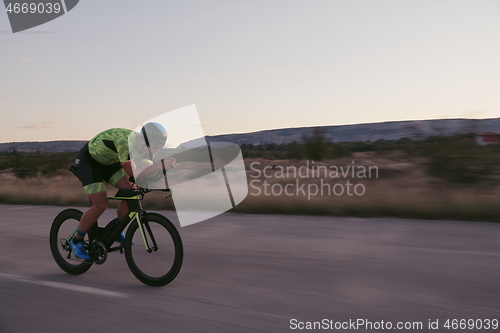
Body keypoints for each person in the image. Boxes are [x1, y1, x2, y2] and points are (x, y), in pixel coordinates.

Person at [70, 122, 176, 259]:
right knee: (100, 204)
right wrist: (158, 166)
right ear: (145, 141)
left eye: (160, 146)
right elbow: (134, 173)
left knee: (131, 190)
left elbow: (146, 171)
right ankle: (77, 240)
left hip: (109, 163)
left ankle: (116, 230)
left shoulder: (146, 148)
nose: (157, 150)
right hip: (89, 162)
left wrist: (162, 171)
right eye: (156, 146)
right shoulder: (125, 141)